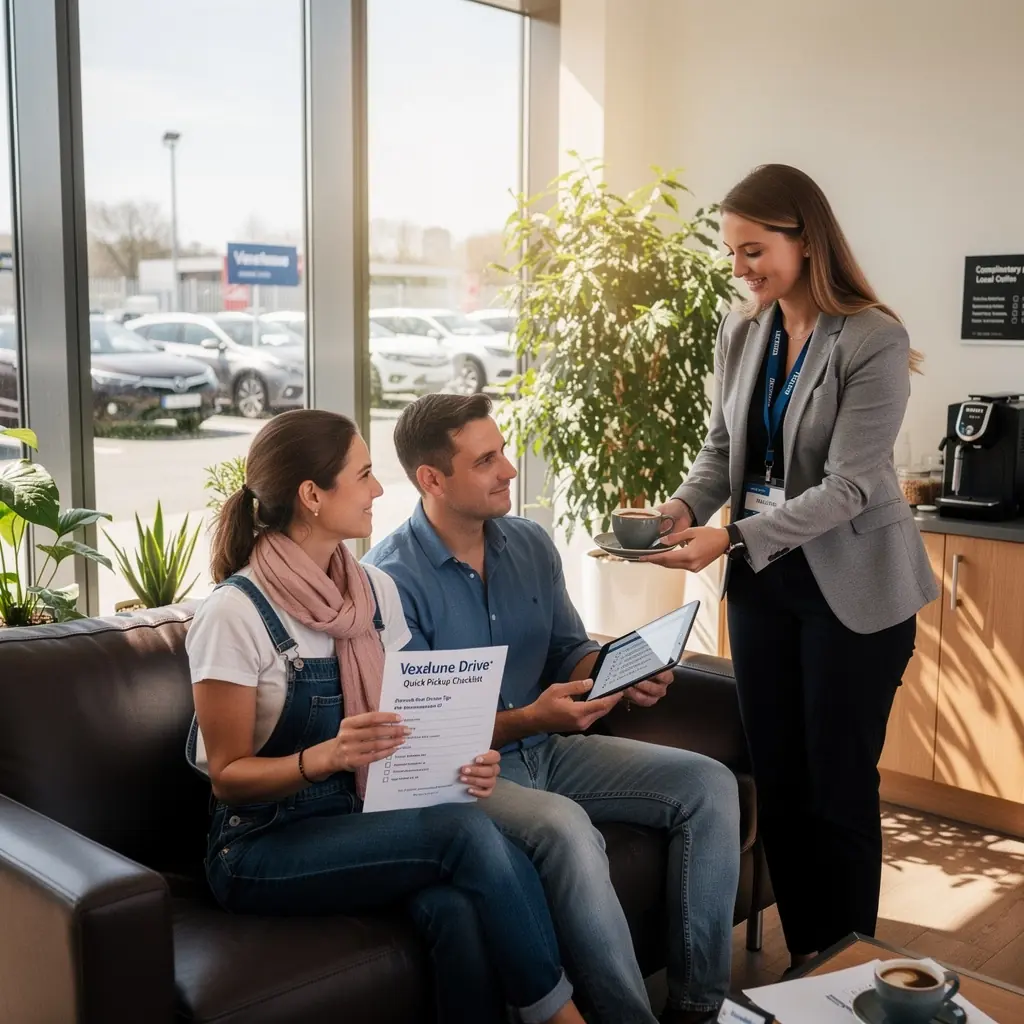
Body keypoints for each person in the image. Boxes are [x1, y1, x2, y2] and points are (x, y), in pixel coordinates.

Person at [185, 408, 586, 1024]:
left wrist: (465, 764)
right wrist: (326, 757)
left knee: (458, 910)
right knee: (463, 831)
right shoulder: (234, 614)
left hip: (357, 815)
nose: (378, 490)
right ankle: (564, 1019)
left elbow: (413, 724)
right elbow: (227, 775)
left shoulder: (373, 593)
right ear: (312, 496)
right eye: (364, 474)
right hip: (260, 845)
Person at [642, 163, 939, 972]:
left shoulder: (873, 337)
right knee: (780, 776)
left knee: (837, 787)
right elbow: (721, 454)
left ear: (805, 240)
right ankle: (808, 957)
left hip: (852, 592)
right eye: (733, 254)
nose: (741, 270)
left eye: (753, 250)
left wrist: (731, 538)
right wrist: (680, 510)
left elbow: (851, 485)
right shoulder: (744, 331)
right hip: (767, 589)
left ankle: (848, 966)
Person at [365, 394, 741, 1024]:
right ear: (431, 479)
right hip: (466, 773)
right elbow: (419, 734)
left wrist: (618, 674)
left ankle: (699, 1008)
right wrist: (530, 720)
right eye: (486, 460)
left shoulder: (530, 543)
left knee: (709, 784)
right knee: (566, 828)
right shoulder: (389, 581)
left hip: (552, 749)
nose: (509, 470)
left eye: (503, 451)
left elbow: (570, 651)